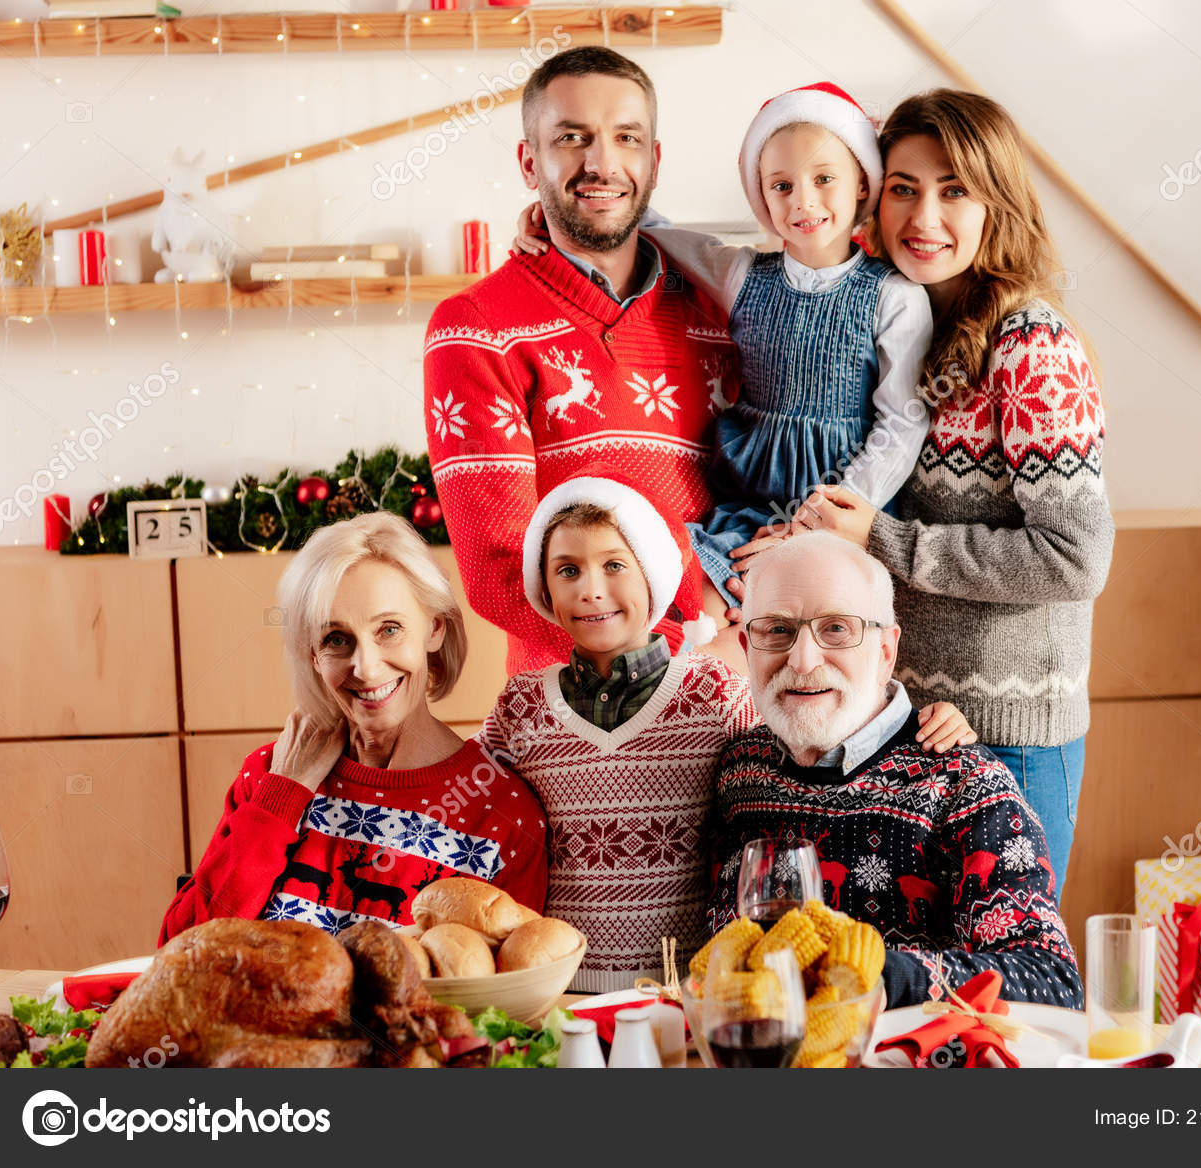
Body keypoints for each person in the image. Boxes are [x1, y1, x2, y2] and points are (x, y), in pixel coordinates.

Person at [777, 90, 1114, 898]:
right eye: (904, 188)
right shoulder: (899, 325)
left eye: (954, 190)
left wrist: (885, 541)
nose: (923, 216)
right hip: (902, 727)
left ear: (997, 204)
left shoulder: (1030, 346)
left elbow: (1075, 559)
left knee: (1008, 962)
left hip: (1009, 738)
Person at [478, 471, 977, 992]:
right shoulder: (521, 705)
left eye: (614, 566)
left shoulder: (712, 693)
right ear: (544, 589)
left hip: (689, 990)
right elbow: (471, 794)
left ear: (652, 574)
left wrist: (916, 721)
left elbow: (809, 730)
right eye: (567, 571)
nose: (591, 590)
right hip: (560, 987)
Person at [513, 83, 933, 669]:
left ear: (863, 184)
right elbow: (656, 229)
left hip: (840, 503)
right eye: (781, 186)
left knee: (806, 622)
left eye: (824, 179)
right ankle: (672, 699)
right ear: (761, 195)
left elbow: (903, 423)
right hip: (749, 502)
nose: (803, 201)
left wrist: (825, 520)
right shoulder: (742, 275)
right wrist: (557, 212)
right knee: (700, 598)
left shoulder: (895, 296)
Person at [425, 46, 737, 676]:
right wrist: (686, 656)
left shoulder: (722, 306)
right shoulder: (476, 327)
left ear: (654, 160)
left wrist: (760, 631)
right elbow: (501, 568)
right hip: (582, 713)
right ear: (529, 161)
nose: (602, 164)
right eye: (572, 138)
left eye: (627, 138)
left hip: (747, 686)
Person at [708, 530, 1082, 1010]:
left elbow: (1051, 981)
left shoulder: (965, 782)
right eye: (777, 630)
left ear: (886, 651)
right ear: (746, 646)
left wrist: (881, 980)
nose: (801, 661)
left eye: (836, 628)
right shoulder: (739, 770)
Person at [160, 513, 548, 943]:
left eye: (389, 630)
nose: (365, 667)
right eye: (336, 639)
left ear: (435, 629)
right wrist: (284, 795)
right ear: (312, 653)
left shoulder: (502, 813)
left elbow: (512, 981)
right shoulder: (269, 775)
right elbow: (181, 949)